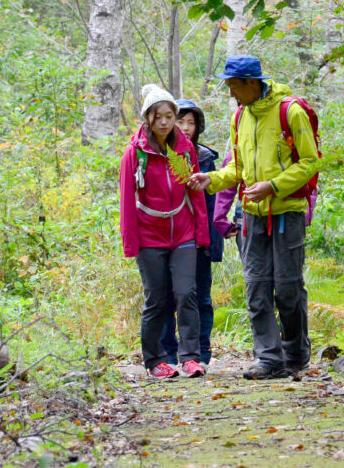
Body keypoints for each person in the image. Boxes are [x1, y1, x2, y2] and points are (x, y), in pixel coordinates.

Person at [189, 56, 319, 380]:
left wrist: (273, 186)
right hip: (251, 215)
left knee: (288, 289)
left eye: (234, 86)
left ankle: (295, 354)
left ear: (252, 82)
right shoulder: (239, 117)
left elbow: (310, 162)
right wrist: (211, 179)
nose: (231, 93)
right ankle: (269, 359)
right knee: (256, 289)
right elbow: (238, 168)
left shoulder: (291, 112)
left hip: (287, 213)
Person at [119, 84, 210, 379]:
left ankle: (191, 358)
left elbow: (195, 192)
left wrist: (202, 234)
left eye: (169, 116)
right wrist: (131, 243)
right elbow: (127, 201)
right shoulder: (135, 153)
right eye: (157, 116)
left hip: (183, 232)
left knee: (187, 293)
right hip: (149, 236)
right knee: (157, 299)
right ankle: (155, 360)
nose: (164, 122)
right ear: (148, 117)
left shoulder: (184, 149)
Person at [161, 98, 224, 366]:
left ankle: (201, 353)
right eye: (180, 121)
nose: (186, 128)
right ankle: (167, 353)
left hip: (199, 238)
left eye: (191, 123)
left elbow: (212, 204)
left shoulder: (205, 158)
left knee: (200, 297)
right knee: (165, 297)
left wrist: (212, 240)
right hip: (166, 237)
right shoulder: (156, 154)